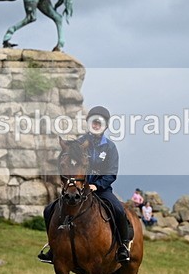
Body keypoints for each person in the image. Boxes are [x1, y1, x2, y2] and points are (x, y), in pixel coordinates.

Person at [39, 106, 133, 264]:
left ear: (105, 126)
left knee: (118, 209)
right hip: (78, 189)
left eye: (99, 123)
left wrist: (98, 185)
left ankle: (123, 246)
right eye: (93, 122)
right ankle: (53, 247)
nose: (96, 125)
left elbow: (111, 173)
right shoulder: (78, 144)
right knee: (49, 210)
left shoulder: (110, 147)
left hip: (101, 189)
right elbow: (67, 163)